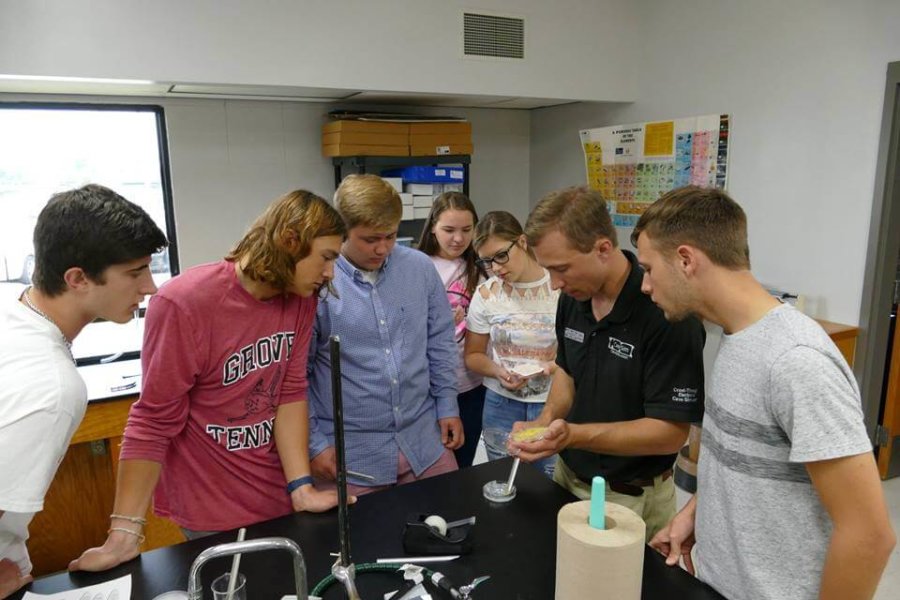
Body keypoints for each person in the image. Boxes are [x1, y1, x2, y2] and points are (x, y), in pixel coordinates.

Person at [637, 186, 895, 600]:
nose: (645, 286)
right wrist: (693, 514)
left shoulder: (795, 360)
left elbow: (869, 534)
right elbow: (745, 460)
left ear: (685, 260)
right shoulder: (735, 335)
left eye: (649, 269)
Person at [70, 190, 346, 573]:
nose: (330, 273)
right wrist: (123, 535)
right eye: (327, 258)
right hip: (211, 504)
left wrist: (301, 487)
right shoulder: (185, 302)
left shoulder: (301, 299)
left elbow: (289, 390)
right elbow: (152, 420)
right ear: (290, 242)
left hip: (274, 493)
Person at [509, 185, 705, 540]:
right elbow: (568, 372)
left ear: (602, 248)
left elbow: (669, 434)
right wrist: (544, 424)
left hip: (630, 496)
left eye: (562, 268)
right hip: (567, 477)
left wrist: (572, 435)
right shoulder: (574, 297)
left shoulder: (667, 313)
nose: (554, 284)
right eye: (548, 270)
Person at [0, 184, 166, 598]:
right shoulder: (52, 387)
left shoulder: (12, 312)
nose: (150, 287)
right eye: (134, 273)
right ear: (77, 279)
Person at [308, 174, 462, 496]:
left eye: (391, 236)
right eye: (369, 239)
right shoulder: (318, 282)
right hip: (350, 455)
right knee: (365, 542)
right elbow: (296, 378)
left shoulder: (419, 268)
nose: (383, 248)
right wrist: (314, 443)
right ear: (342, 231)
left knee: (453, 522)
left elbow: (440, 341)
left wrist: (448, 404)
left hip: (423, 440)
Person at [464, 211, 560, 476]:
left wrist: (549, 367)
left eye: (501, 256)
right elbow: (472, 355)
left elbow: (578, 353)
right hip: (501, 402)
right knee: (503, 474)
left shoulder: (558, 286)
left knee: (551, 474)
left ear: (522, 242)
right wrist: (498, 371)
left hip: (552, 400)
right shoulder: (486, 295)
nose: (495, 268)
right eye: (486, 261)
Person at [417, 192, 487, 468]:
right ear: (433, 226)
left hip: (470, 383)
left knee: (464, 462)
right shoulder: (418, 266)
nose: (458, 238)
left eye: (466, 230)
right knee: (433, 464)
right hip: (427, 387)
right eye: (449, 230)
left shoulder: (481, 269)